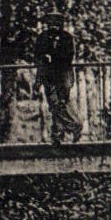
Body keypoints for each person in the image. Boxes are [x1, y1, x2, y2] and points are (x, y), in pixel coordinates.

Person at [32, 10, 83, 145]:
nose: (53, 27)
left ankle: (68, 129)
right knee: (54, 104)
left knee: (61, 103)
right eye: (50, 24)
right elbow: (37, 57)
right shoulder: (42, 38)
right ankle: (60, 133)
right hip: (48, 76)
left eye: (56, 24)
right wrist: (38, 78)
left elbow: (68, 57)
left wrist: (52, 57)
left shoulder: (67, 38)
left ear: (61, 25)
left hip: (63, 76)